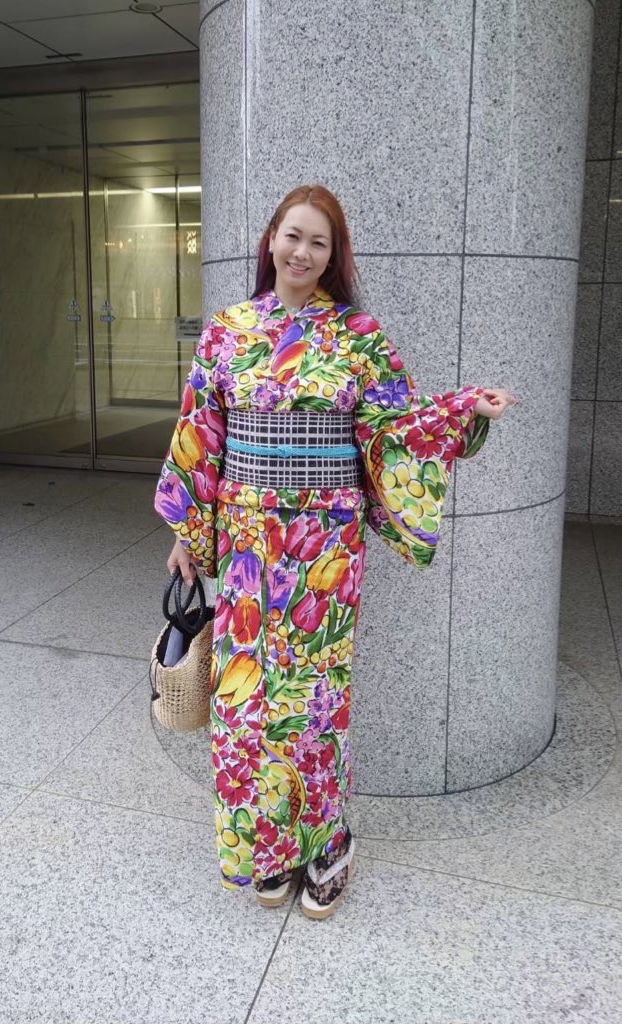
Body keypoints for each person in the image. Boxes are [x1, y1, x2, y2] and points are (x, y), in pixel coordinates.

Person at [154, 184, 515, 919]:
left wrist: (461, 410)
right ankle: (268, 846)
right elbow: (199, 435)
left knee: (314, 701)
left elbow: (396, 425)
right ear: (271, 239)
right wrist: (188, 534)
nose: (301, 252)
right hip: (249, 547)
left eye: (318, 242)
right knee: (248, 700)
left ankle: (328, 843)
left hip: (325, 550)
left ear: (332, 256)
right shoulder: (227, 332)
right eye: (292, 236)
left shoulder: (358, 335)